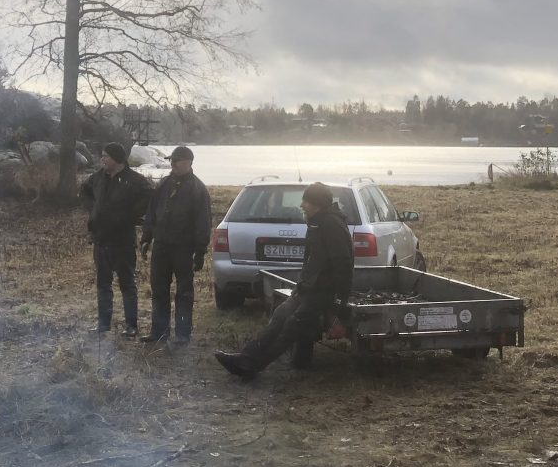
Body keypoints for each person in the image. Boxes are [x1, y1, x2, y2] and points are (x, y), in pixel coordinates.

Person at [214, 183, 353, 378]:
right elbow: (312, 261)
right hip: (307, 289)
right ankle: (246, 356)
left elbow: (343, 264)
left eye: (306, 201)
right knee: (280, 315)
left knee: (292, 325)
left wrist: (341, 302)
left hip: (323, 292)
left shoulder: (331, 225)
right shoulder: (316, 222)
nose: (302, 205)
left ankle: (253, 366)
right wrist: (302, 285)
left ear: (318, 204)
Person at [139, 145, 211, 343]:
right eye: (171, 160)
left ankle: (182, 334)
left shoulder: (198, 189)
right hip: (161, 246)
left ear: (188, 163)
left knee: (184, 293)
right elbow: (152, 212)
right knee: (159, 289)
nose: (172, 164)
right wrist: (146, 238)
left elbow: (203, 222)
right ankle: (159, 332)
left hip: (183, 248)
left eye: (176, 160)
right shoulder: (164, 183)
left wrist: (200, 251)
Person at [79, 142, 152, 337]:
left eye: (106, 157)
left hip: (123, 241)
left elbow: (149, 197)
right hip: (101, 239)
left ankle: (132, 326)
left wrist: (131, 214)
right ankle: (103, 324)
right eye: (102, 156)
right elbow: (84, 190)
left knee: (127, 284)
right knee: (103, 284)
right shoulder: (98, 178)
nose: (102, 160)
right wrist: (93, 210)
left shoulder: (135, 180)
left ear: (118, 159)